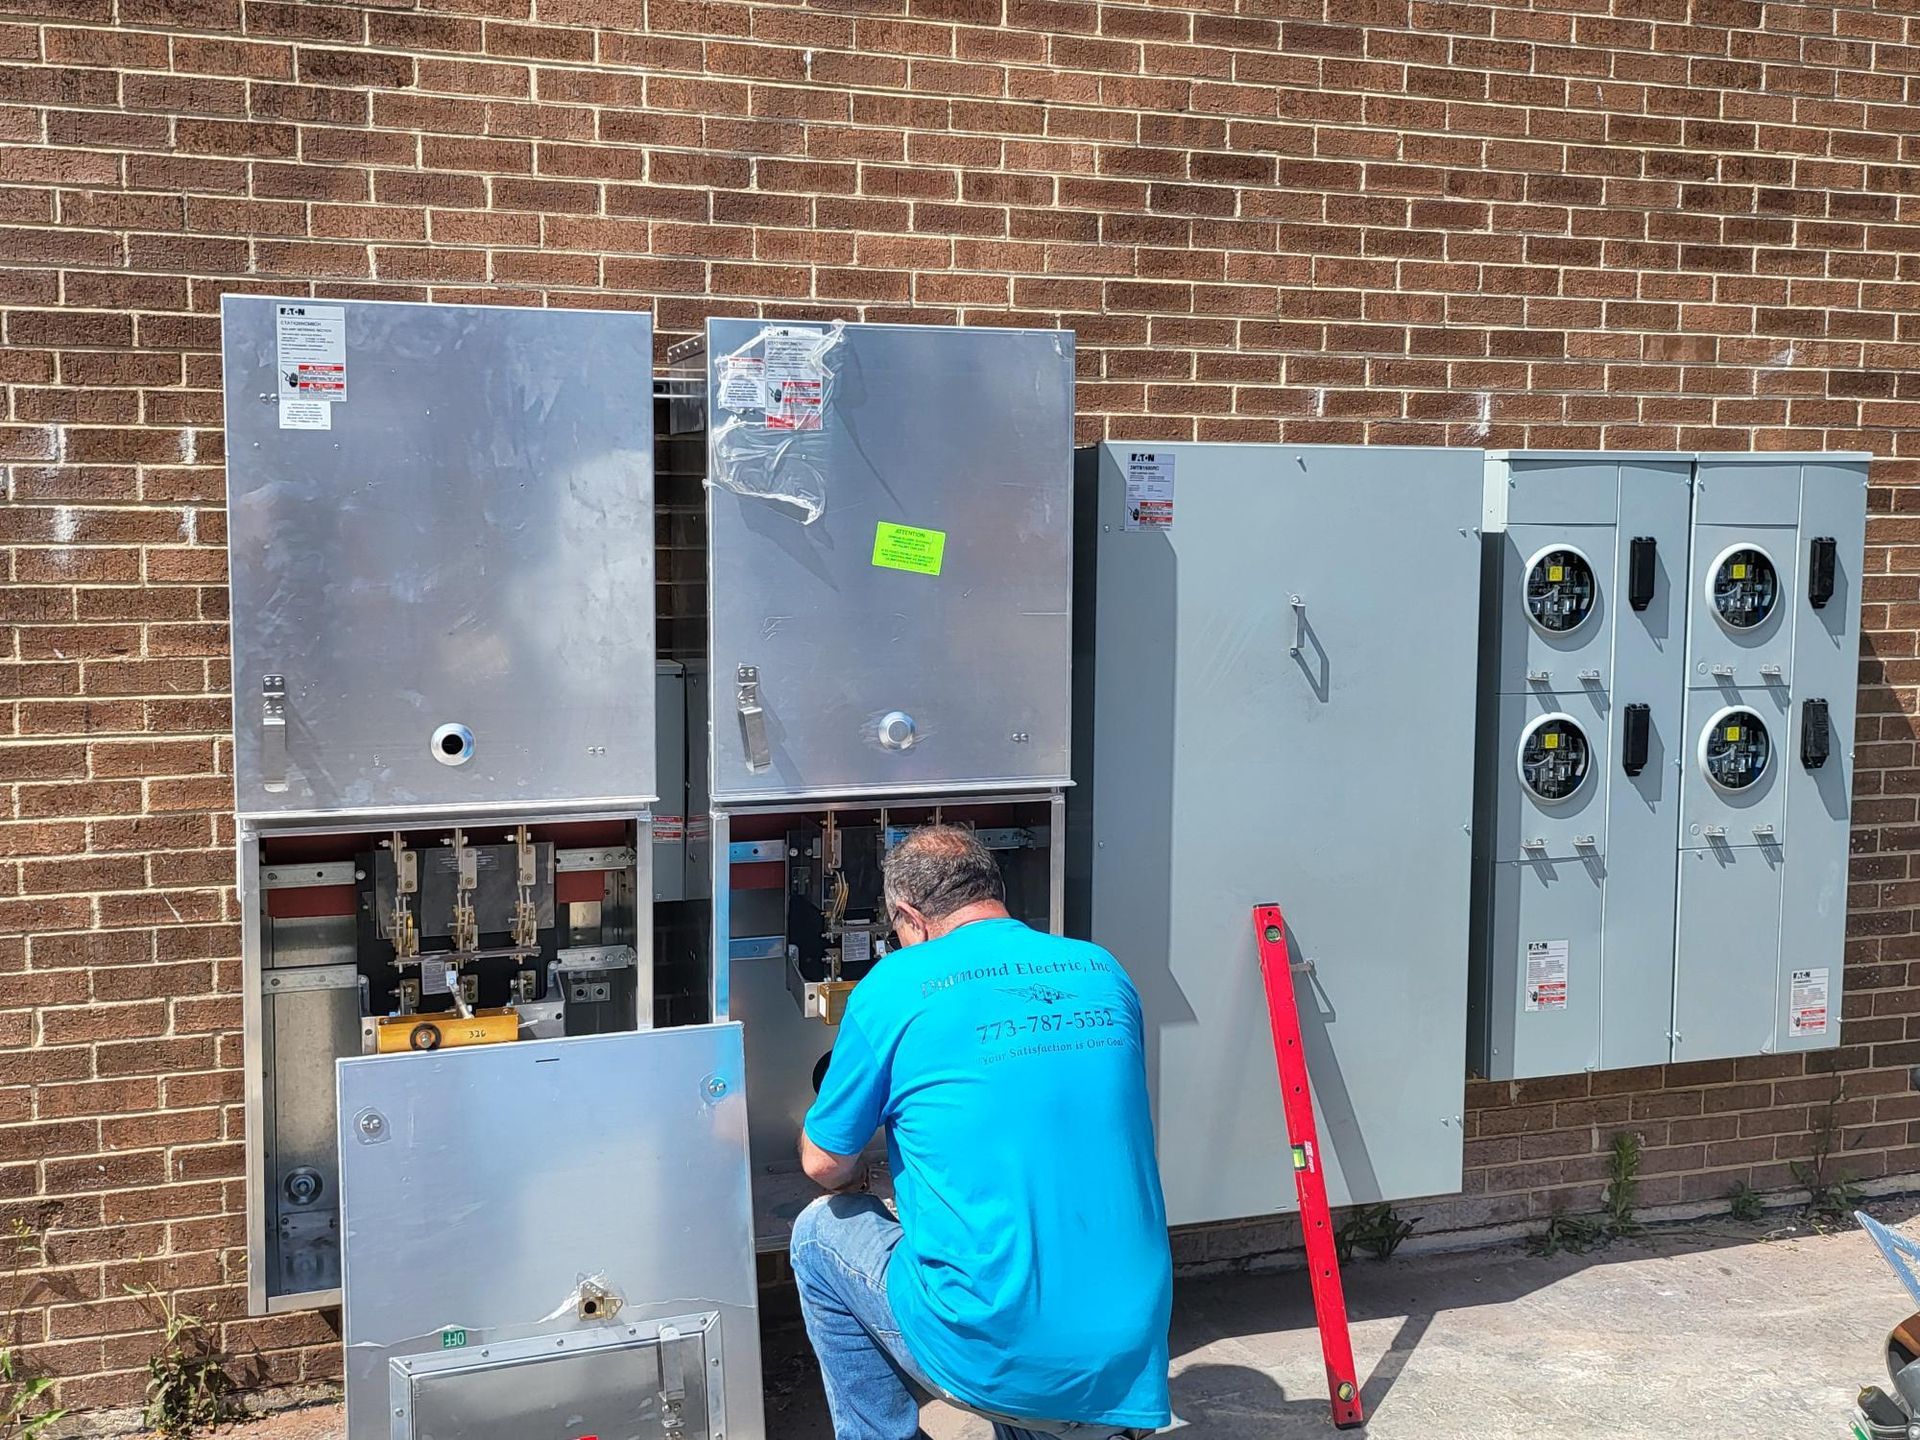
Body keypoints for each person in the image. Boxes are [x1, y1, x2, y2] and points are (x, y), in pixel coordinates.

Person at [789, 824, 1172, 1440]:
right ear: (993, 891)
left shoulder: (895, 984)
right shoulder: (1102, 968)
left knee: (818, 1235)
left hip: (999, 1353)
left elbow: (824, 1163)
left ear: (908, 915)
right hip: (1131, 1345)